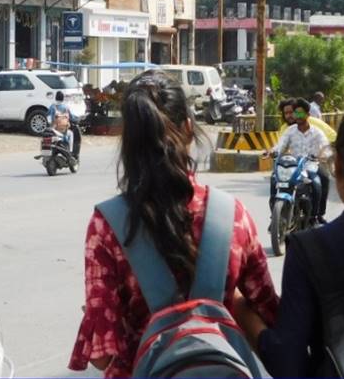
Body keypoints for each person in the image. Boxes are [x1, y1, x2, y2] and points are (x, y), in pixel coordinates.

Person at [69, 70, 277, 376]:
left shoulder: (107, 227)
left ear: (128, 141)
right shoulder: (232, 216)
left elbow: (102, 356)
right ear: (189, 129)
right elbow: (269, 311)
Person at [235, 103, 344, 377]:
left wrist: (240, 307)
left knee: (316, 184)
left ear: (339, 165)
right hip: (292, 172)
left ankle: (316, 211)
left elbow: (288, 363)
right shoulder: (289, 132)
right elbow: (278, 148)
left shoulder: (310, 250)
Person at [266, 97, 331, 224]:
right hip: (293, 166)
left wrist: (323, 155)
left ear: (308, 114)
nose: (297, 116)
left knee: (317, 184)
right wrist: (272, 151)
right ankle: (274, 216)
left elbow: (325, 147)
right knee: (274, 179)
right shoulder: (289, 131)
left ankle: (315, 216)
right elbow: (281, 146)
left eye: (301, 113)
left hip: (310, 166)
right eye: (296, 113)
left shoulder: (317, 132)